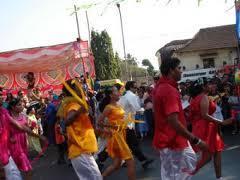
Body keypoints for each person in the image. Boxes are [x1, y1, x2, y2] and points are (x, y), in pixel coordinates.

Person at [152, 57, 208, 180]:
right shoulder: (168, 90)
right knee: (174, 176)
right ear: (171, 71)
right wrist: (196, 140)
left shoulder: (161, 87)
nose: (181, 71)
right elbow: (173, 121)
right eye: (179, 68)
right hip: (172, 142)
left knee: (186, 167)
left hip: (173, 140)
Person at [57, 79, 101, 180]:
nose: (81, 88)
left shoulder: (77, 103)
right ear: (73, 90)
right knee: (96, 177)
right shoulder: (73, 105)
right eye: (78, 86)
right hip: (80, 150)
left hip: (82, 149)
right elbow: (67, 121)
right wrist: (79, 111)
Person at [189, 79, 233, 179]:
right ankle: (187, 173)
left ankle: (219, 177)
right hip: (206, 128)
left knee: (217, 152)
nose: (211, 86)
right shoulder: (203, 97)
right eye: (209, 84)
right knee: (207, 156)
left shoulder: (195, 98)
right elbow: (205, 115)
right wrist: (222, 122)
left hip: (205, 128)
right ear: (203, 87)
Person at [98, 85, 136, 180]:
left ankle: (100, 178)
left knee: (117, 164)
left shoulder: (117, 105)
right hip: (116, 137)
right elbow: (99, 123)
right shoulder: (109, 107)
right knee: (130, 160)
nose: (119, 92)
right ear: (111, 95)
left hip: (121, 134)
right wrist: (111, 127)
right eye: (116, 91)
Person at [119, 81, 153, 169]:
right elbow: (138, 109)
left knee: (131, 144)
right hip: (128, 124)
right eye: (135, 87)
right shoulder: (131, 96)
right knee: (133, 144)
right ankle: (101, 159)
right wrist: (145, 108)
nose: (136, 89)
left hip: (123, 123)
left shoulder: (124, 96)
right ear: (130, 87)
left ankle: (143, 160)